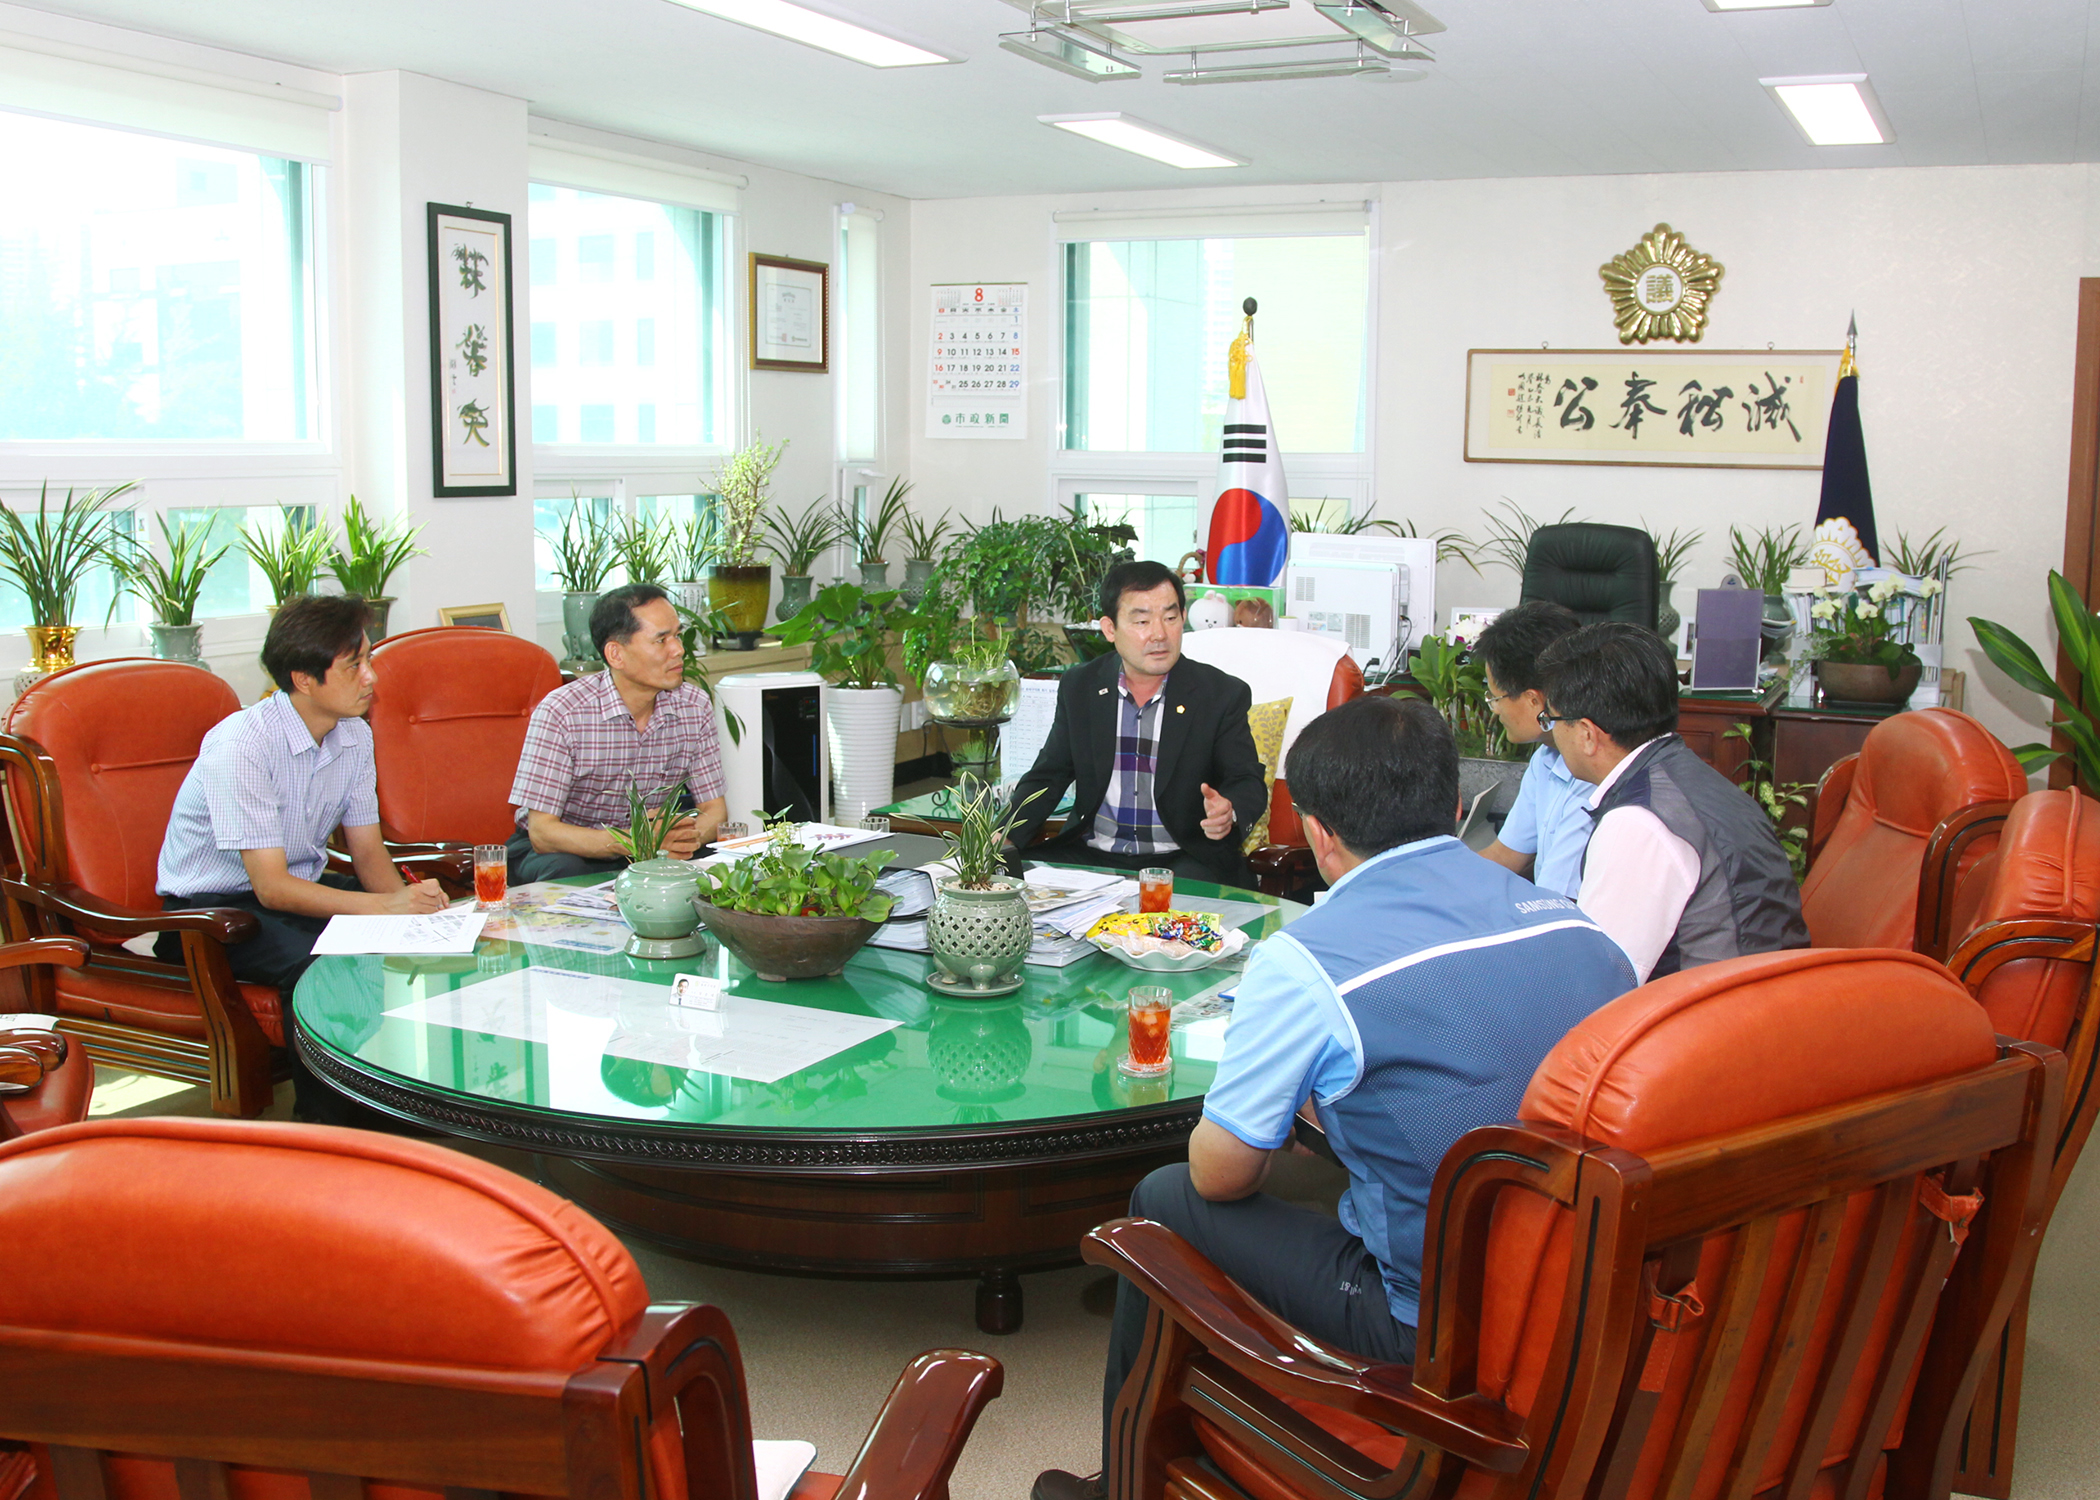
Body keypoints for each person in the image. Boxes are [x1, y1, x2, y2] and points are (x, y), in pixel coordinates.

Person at [1032, 696, 1637, 1500]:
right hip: (1586, 1282)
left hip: (1434, 1325)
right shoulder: (1580, 926)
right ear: (1456, 808)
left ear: (1317, 834)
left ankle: (1129, 1481)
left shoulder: (1308, 959)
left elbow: (1223, 1178)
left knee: (1166, 1194)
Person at [156, 595, 449, 1113]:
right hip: (210, 914)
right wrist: (386, 909)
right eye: (355, 665)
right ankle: (325, 1127)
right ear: (304, 678)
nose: (372, 677)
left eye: (369, 659)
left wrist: (409, 907)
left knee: (415, 936)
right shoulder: (242, 744)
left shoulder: (354, 736)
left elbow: (366, 848)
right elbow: (269, 885)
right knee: (320, 965)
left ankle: (400, 1101)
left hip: (292, 893)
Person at [1534, 621, 1808, 983]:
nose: (1549, 731)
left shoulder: (1638, 824)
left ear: (1586, 734)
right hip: (1768, 1006)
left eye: (1549, 719)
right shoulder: (1694, 778)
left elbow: (1595, 983)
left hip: (1710, 1026)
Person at [1005, 560, 1267, 885]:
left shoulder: (1220, 694)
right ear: (1109, 628)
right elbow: (1050, 774)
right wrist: (1006, 834)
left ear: (1183, 619)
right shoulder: (1081, 686)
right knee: (1016, 888)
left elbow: (1246, 780)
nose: (1159, 634)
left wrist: (1230, 811)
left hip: (1185, 858)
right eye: (1142, 620)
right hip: (1092, 854)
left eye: (1170, 618)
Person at [507, 583, 729, 882]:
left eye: (676, 635)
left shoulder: (693, 705)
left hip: (652, 843)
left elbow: (714, 811)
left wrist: (679, 840)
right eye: (661, 640)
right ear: (616, 654)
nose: (679, 649)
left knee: (720, 868)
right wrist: (636, 842)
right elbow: (544, 833)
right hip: (567, 850)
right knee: (565, 871)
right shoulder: (563, 712)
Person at [1474, 601, 1589, 895]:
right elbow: (1506, 856)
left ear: (1533, 700)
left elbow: (1558, 897)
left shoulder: (1592, 769)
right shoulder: (1546, 758)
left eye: (1495, 696)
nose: (1494, 710)